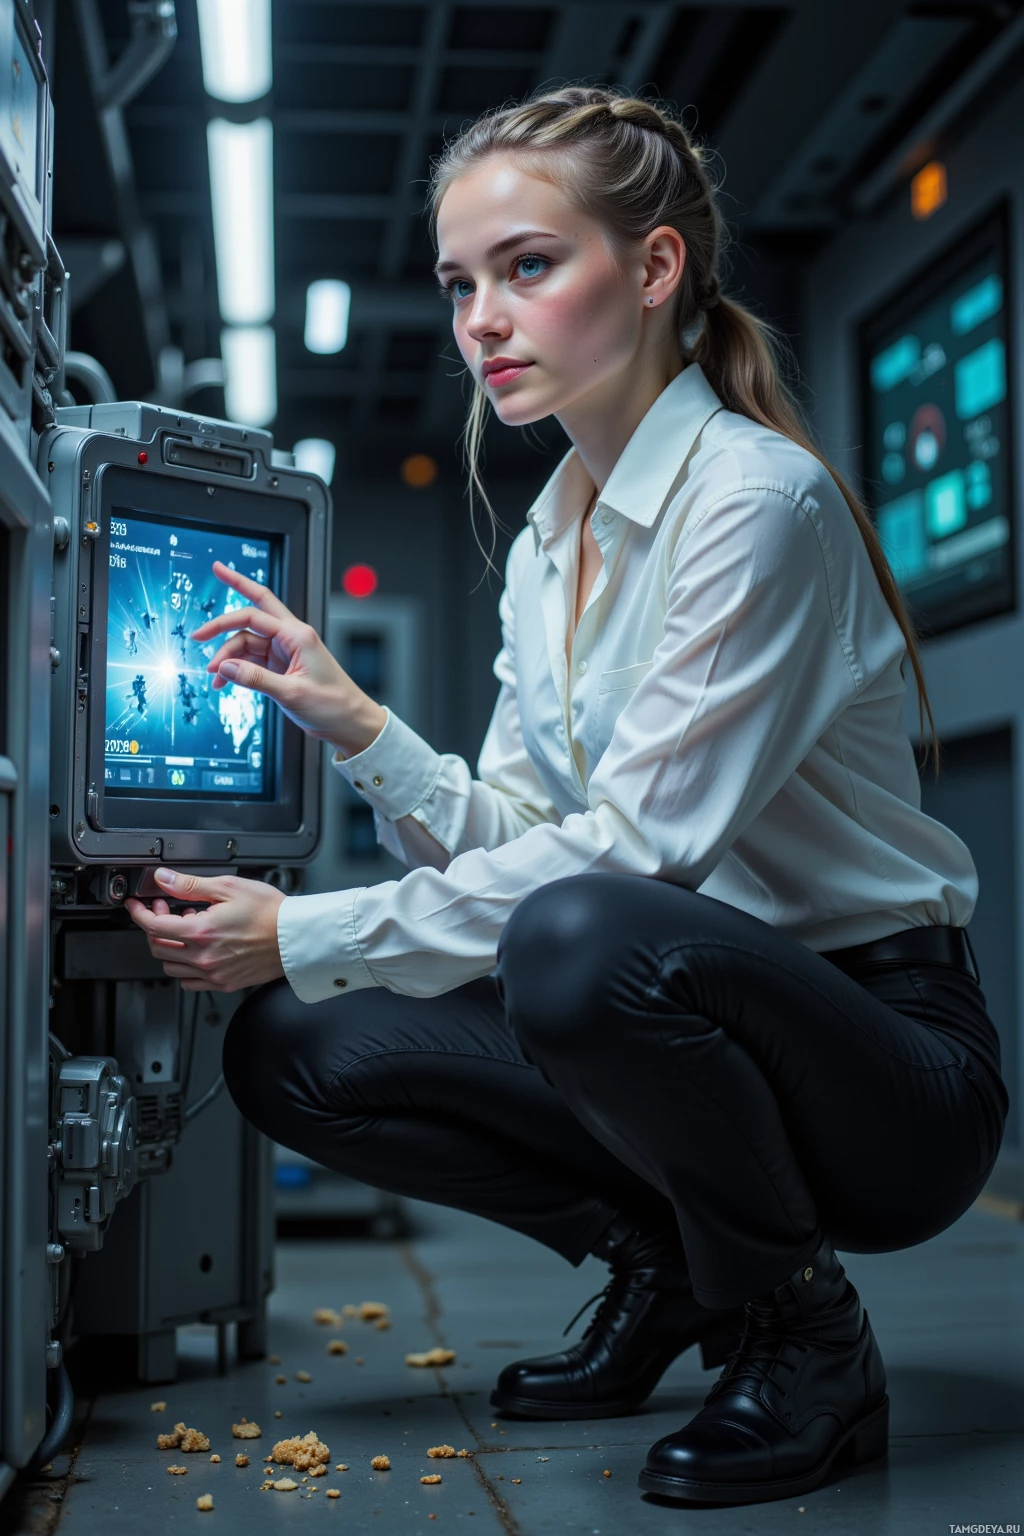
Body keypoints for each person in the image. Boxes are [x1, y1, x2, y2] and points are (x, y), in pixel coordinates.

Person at [125, 86, 1009, 1508]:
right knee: (292, 1043)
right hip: (670, 1015)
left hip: (888, 1071)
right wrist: (357, 725)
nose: (482, 317)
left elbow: (633, 866)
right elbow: (529, 847)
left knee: (568, 938)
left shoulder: (754, 503)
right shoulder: (552, 544)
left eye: (528, 267)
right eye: (462, 281)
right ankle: (671, 1266)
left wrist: (306, 922)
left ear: (655, 271)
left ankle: (808, 1336)